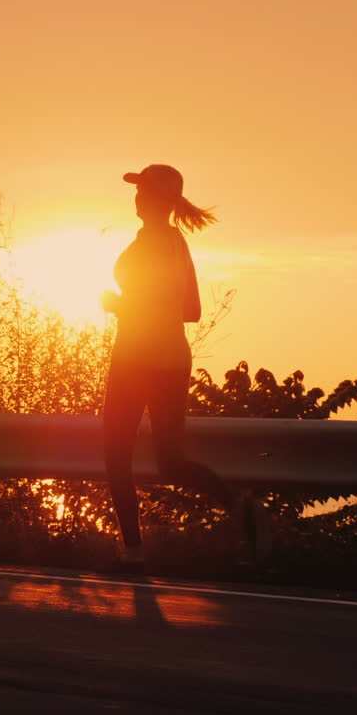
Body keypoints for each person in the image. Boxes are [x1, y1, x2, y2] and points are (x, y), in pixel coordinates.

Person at [100, 164, 229, 571]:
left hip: (135, 357)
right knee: (170, 461)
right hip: (173, 359)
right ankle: (238, 505)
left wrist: (115, 303)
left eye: (140, 191)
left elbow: (143, 305)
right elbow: (191, 311)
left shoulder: (150, 244)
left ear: (153, 199)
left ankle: (133, 552)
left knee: (116, 454)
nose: (135, 197)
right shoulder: (177, 244)